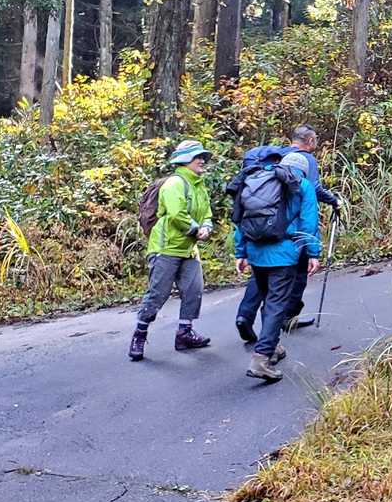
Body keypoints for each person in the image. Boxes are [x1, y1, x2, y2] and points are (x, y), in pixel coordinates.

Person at [234, 124, 340, 341]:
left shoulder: (276, 159)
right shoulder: (305, 160)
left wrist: (241, 249)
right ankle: (285, 319)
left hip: (259, 231)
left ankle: (245, 315)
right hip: (289, 234)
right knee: (296, 274)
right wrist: (334, 201)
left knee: (261, 274)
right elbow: (311, 190)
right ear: (310, 141)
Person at [235, 151, 322, 382]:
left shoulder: (256, 180)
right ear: (303, 171)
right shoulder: (302, 184)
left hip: (255, 252)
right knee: (276, 305)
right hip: (283, 254)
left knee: (268, 300)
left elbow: (239, 218)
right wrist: (313, 252)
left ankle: (272, 346)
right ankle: (261, 358)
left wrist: (241, 252)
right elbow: (309, 222)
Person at [129, 140, 214, 362]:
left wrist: (207, 226)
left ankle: (184, 333)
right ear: (185, 160)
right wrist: (196, 230)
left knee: (194, 290)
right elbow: (177, 214)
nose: (202, 161)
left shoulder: (199, 185)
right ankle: (139, 334)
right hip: (166, 248)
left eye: (203, 157)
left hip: (188, 249)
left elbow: (207, 213)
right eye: (198, 157)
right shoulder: (174, 183)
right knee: (158, 294)